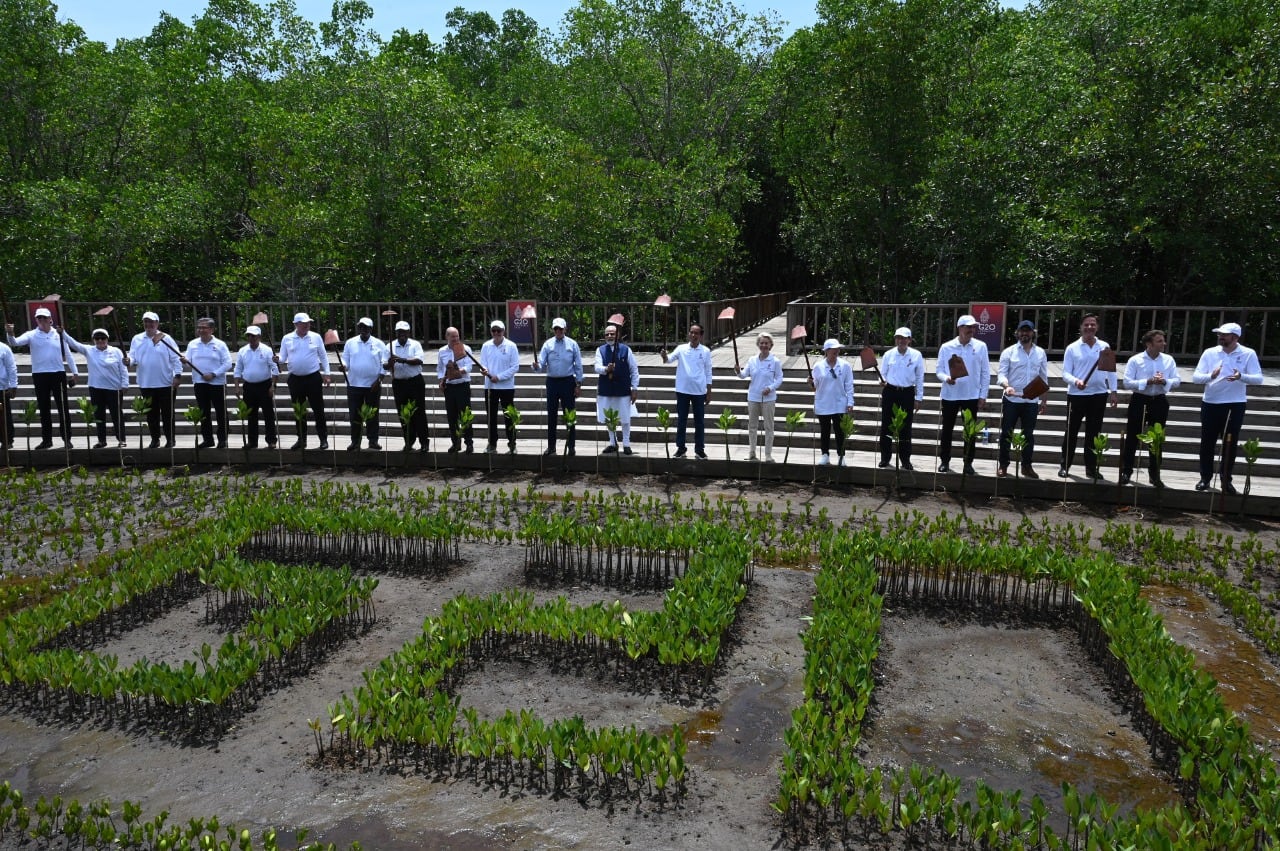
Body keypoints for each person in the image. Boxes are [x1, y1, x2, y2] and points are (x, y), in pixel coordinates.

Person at [1192, 322, 1263, 493]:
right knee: (1207, 443)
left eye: (1224, 334)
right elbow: (1196, 377)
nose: (1220, 337)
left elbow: (1258, 379)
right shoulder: (1210, 353)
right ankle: (1205, 478)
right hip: (1210, 403)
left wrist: (1241, 376)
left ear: (1235, 337)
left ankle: (1226, 480)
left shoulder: (1248, 353)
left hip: (1235, 404)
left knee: (1229, 443)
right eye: (1219, 334)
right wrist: (1211, 375)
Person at [6, 307, 79, 449]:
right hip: (40, 374)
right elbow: (14, 342)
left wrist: (75, 373)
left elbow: (69, 354)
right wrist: (10, 333)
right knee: (44, 409)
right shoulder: (31, 334)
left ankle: (67, 439)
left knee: (62, 408)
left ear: (50, 319)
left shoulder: (59, 334)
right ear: (36, 320)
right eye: (39, 318)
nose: (42, 320)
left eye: (44, 318)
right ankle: (47, 440)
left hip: (58, 373)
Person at [1059, 313, 1117, 480]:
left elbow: (1111, 371)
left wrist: (1113, 391)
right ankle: (1065, 465)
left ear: (1097, 327)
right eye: (1086, 324)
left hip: (1099, 395)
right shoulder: (1072, 348)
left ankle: (1091, 469)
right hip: (1077, 395)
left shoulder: (1104, 346)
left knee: (1093, 433)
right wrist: (1076, 381)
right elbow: (1065, 374)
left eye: (1093, 324)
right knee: (1071, 432)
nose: (1090, 327)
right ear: (1081, 327)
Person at [1120, 329, 1180, 487]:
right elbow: (1126, 382)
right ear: (1149, 344)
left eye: (1163, 340)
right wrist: (1147, 381)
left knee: (1156, 440)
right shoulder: (1135, 360)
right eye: (1160, 341)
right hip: (1140, 400)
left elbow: (1177, 381)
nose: (1164, 344)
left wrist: (1164, 381)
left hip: (1159, 400)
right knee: (1132, 436)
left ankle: (1155, 474)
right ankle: (1126, 471)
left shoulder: (1168, 360)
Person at [935, 315, 990, 475]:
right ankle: (945, 461)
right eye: (968, 327)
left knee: (970, 431)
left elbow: (985, 372)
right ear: (960, 328)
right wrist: (947, 378)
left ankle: (968, 462)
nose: (971, 330)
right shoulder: (946, 347)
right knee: (947, 430)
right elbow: (939, 370)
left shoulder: (981, 346)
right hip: (950, 395)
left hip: (971, 395)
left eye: (973, 327)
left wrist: (983, 395)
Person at [996, 320, 1049, 478]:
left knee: (1028, 435)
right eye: (1022, 331)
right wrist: (1006, 386)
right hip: (1012, 400)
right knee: (1006, 433)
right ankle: (1003, 465)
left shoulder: (1040, 353)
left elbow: (1043, 377)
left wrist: (1044, 400)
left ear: (1033, 333)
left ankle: (1026, 466)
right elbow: (1001, 374)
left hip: (1031, 402)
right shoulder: (1009, 352)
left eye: (1028, 331)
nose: (1025, 334)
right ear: (1017, 333)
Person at [277, 312, 331, 451]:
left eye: (308, 322)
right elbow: (282, 358)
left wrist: (327, 374)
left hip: (313, 378)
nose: (307, 325)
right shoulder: (287, 338)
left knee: (318, 409)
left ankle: (323, 439)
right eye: (304, 323)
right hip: (295, 379)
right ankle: (302, 439)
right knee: (299, 411)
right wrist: (277, 359)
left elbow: (323, 356)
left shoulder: (316, 337)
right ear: (296, 324)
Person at [129, 310, 183, 448]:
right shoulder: (137, 338)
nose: (149, 324)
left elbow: (176, 358)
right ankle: (155, 439)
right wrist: (127, 361)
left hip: (166, 383)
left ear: (157, 323)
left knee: (167, 414)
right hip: (146, 383)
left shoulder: (166, 338)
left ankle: (170, 439)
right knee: (151, 415)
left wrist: (177, 375)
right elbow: (133, 358)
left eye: (152, 321)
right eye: (146, 321)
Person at [68, 328, 129, 447]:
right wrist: (62, 333)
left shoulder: (116, 351)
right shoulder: (89, 350)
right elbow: (73, 343)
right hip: (96, 388)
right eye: (97, 338)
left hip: (114, 388)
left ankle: (121, 439)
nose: (100, 340)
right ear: (93, 340)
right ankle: (102, 440)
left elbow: (123, 369)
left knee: (117, 415)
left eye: (103, 338)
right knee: (99, 415)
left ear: (107, 339)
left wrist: (125, 384)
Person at [660, 324, 713, 459]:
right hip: (682, 389)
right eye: (691, 333)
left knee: (699, 421)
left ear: (701, 335)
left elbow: (708, 371)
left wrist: (709, 390)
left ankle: (699, 449)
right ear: (689, 334)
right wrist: (664, 356)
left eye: (696, 333)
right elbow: (668, 360)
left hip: (699, 391)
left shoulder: (706, 351)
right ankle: (681, 448)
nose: (693, 335)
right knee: (681, 420)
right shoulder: (681, 349)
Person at [533, 317, 583, 456]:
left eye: (560, 328)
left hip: (568, 382)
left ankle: (571, 446)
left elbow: (578, 365)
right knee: (551, 416)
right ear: (553, 330)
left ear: (565, 329)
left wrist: (578, 384)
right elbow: (540, 365)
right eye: (556, 329)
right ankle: (551, 446)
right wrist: (536, 365)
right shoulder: (547, 344)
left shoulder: (572, 344)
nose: (558, 331)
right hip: (552, 382)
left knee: (570, 416)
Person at [878, 327, 924, 470]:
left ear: (909, 340)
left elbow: (919, 377)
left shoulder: (916, 355)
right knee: (886, 425)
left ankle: (905, 460)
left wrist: (919, 397)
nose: (901, 340)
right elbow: (883, 373)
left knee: (905, 427)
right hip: (890, 391)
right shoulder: (888, 354)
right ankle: (885, 458)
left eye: (904, 338)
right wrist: (881, 380)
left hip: (907, 392)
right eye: (898, 337)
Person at [341, 317, 389, 451]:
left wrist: (379, 380)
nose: (363, 329)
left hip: (372, 385)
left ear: (371, 329)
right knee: (354, 415)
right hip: (354, 384)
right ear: (358, 328)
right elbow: (346, 361)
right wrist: (343, 367)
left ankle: (373, 441)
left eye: (366, 327)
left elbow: (384, 364)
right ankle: (355, 441)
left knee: (372, 415)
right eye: (361, 327)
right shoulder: (350, 343)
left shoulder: (379, 344)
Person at [186, 317, 233, 449]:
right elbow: (188, 361)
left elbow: (228, 363)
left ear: (212, 330)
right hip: (199, 382)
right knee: (203, 412)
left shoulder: (220, 344)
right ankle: (208, 439)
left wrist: (213, 374)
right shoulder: (192, 344)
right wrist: (184, 361)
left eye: (204, 327)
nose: (201, 330)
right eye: (199, 327)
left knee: (220, 412)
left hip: (217, 383)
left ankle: (222, 439)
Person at [736, 332, 782, 462]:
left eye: (766, 343)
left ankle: (768, 454)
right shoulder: (752, 360)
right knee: (752, 426)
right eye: (761, 343)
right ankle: (752, 452)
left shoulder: (775, 361)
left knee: (769, 427)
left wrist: (770, 388)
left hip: (769, 398)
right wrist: (738, 371)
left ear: (771, 345)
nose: (764, 345)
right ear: (758, 344)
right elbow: (744, 375)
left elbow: (779, 379)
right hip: (753, 397)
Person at [595, 323, 641, 455]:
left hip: (622, 388)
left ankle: (626, 444)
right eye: (607, 334)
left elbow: (634, 369)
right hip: (606, 389)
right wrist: (606, 369)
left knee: (625, 418)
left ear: (618, 335)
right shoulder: (600, 350)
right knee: (609, 418)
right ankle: (612, 442)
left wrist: (635, 388)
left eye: (612, 334)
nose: (610, 336)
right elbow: (597, 367)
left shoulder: (626, 350)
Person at [810, 338, 855, 466]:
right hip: (823, 403)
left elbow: (849, 385)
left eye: (838, 349)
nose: (836, 351)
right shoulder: (818, 366)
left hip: (839, 403)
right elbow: (815, 385)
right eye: (833, 349)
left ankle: (841, 456)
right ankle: (825, 454)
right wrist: (811, 383)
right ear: (826, 351)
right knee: (825, 430)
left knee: (840, 431)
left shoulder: (845, 365)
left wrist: (850, 402)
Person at [233, 325, 279, 449]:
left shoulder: (267, 350)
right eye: (248, 336)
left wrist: (273, 386)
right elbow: (237, 369)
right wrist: (237, 387)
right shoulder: (242, 351)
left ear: (259, 337)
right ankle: (252, 441)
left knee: (268, 414)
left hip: (265, 385)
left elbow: (274, 369)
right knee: (251, 415)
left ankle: (271, 440)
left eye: (253, 336)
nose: (251, 338)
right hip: (249, 386)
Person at [480, 319, 521, 453]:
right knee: (491, 417)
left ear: (504, 331)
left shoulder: (511, 346)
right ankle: (492, 444)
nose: (496, 333)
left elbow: (515, 367)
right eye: (494, 330)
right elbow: (483, 363)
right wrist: (484, 371)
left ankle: (512, 444)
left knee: (509, 416)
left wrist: (499, 377)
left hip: (507, 387)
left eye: (499, 330)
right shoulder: (486, 346)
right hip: (490, 387)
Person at [389, 320, 430, 452]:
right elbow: (384, 364)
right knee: (403, 414)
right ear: (396, 332)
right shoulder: (389, 346)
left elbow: (418, 360)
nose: (402, 334)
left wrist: (401, 360)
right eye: (399, 331)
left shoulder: (415, 344)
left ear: (408, 332)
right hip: (398, 383)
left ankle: (424, 442)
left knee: (419, 413)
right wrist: (389, 362)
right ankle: (409, 442)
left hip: (415, 382)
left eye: (404, 331)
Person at [437, 326, 476, 453]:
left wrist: (457, 371)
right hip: (449, 387)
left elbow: (469, 366)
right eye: (452, 336)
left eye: (457, 336)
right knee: (452, 417)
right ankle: (455, 443)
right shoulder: (442, 351)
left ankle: (469, 443)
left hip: (462, 385)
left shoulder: (465, 348)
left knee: (465, 415)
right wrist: (441, 380)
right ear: (446, 337)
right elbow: (440, 368)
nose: (455, 339)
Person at [0, 338, 15, 449]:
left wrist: (13, 385)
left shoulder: (4, 348)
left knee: (4, 417)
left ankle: (7, 440)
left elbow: (11, 368)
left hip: (2, 387)